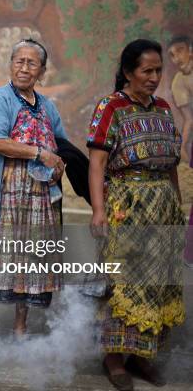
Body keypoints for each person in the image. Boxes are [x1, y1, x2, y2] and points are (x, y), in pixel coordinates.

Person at [87, 39, 185, 391]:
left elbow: (171, 165)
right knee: (123, 285)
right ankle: (113, 361)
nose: (155, 77)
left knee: (159, 285)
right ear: (128, 72)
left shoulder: (162, 108)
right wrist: (99, 210)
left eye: (158, 70)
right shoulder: (110, 107)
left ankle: (143, 359)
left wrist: (178, 208)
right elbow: (97, 163)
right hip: (126, 208)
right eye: (147, 70)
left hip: (162, 208)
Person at [0, 38, 67, 343]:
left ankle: (20, 326)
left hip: (38, 197)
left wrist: (60, 164)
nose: (24, 67)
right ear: (10, 65)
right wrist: (39, 153)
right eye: (18, 61)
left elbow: (61, 146)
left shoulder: (48, 106)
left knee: (30, 259)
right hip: (5, 191)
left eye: (31, 62)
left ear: (42, 71)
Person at [167, 35, 193, 161]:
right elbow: (189, 118)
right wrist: (181, 147)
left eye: (180, 50)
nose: (176, 58)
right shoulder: (178, 83)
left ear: (191, 50)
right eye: (172, 55)